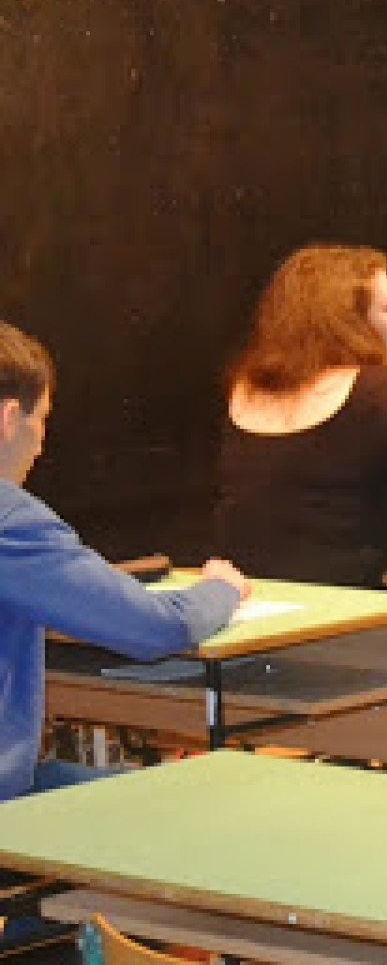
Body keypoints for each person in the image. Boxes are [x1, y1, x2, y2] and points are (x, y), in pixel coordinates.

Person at [0, 321, 247, 800]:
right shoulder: (11, 519)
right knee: (179, 805)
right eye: (43, 420)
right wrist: (222, 588)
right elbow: (159, 627)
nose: (42, 443)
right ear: (9, 418)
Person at [214, 244, 387, 589]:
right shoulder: (379, 394)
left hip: (248, 605)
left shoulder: (246, 389)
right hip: (345, 613)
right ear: (349, 323)